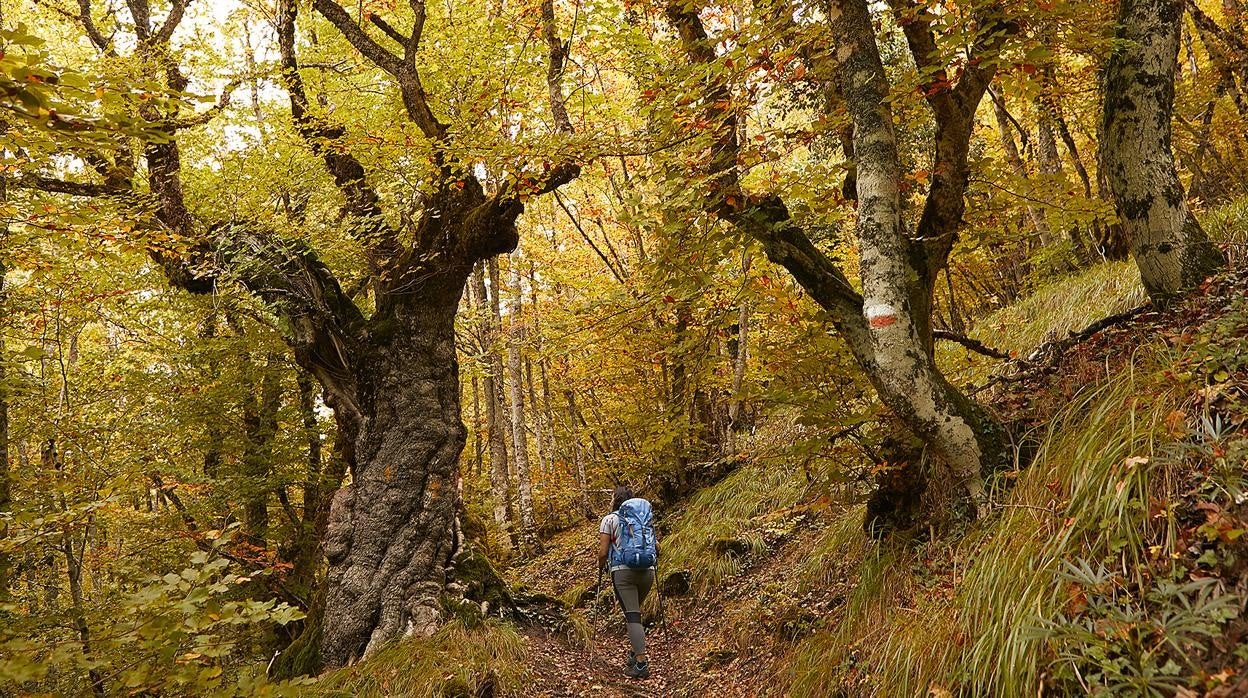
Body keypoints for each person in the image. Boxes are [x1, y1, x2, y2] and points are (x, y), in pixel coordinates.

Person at [598, 485, 656, 679]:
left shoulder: (609, 519)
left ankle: (641, 663)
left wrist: (600, 567)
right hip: (647, 572)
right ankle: (634, 652)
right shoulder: (641, 519)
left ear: (615, 499)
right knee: (634, 613)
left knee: (632, 616)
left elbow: (603, 552)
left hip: (623, 573)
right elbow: (656, 546)